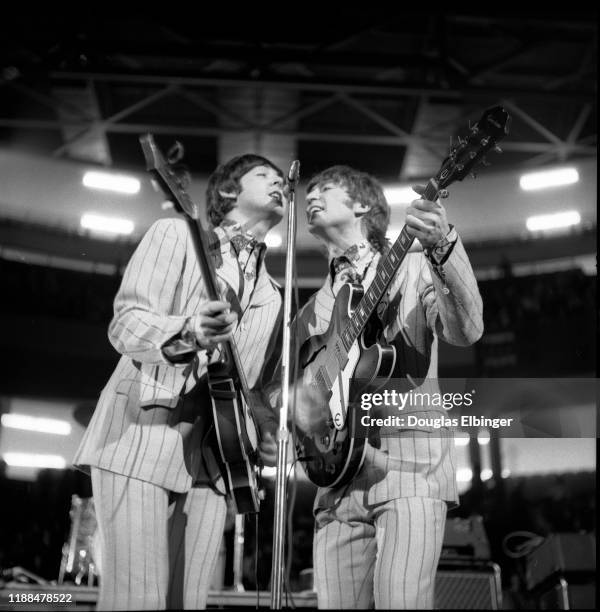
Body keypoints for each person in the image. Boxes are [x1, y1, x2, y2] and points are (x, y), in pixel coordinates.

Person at [73, 154, 284, 610]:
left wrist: (262, 433)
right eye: (264, 175)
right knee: (137, 598)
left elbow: (250, 389)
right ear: (228, 193)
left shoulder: (272, 295)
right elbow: (126, 324)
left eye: (281, 178)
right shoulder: (176, 235)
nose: (280, 182)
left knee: (186, 603)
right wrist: (190, 330)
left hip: (213, 461)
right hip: (139, 437)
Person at [289, 165, 483, 609]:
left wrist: (442, 244)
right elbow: (304, 403)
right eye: (309, 191)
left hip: (410, 468)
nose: (311, 195)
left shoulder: (414, 263)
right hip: (335, 484)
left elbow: (467, 329)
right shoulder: (310, 312)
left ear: (363, 205)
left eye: (325, 188)